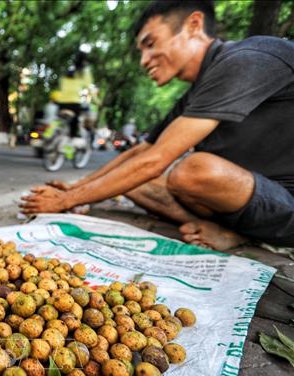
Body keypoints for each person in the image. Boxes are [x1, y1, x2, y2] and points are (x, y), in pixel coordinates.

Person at [21, 0, 294, 250]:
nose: (143, 61)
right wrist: (76, 190)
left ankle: (243, 235)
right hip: (240, 200)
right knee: (129, 178)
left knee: (192, 170)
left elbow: (156, 159)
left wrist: (64, 202)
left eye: (150, 43)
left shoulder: (248, 58)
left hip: (286, 208)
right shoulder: (195, 93)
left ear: (194, 25)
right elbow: (140, 152)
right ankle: (214, 227)